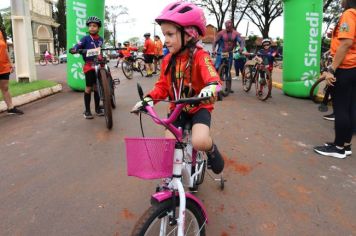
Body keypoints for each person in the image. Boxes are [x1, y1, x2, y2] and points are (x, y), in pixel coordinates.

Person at [132, 2, 225, 174]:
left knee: (199, 141)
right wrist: (148, 99)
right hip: (177, 109)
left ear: (189, 35)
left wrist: (211, 87)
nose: (165, 39)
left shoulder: (200, 56)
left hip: (199, 108)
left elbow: (213, 77)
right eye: (164, 34)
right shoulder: (167, 60)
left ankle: (211, 149)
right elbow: (162, 86)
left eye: (170, 34)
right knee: (169, 146)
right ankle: (169, 181)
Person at [314, 0, 356, 159]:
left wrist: (331, 69)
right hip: (354, 68)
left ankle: (338, 148)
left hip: (346, 67)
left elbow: (345, 43)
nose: (340, 1)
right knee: (351, 108)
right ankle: (345, 146)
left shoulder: (349, 14)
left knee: (341, 109)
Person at [69, 16, 104, 119]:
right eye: (90, 26)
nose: (92, 28)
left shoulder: (101, 39)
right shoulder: (85, 38)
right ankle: (87, 111)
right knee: (89, 88)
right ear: (88, 28)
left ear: (98, 28)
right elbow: (77, 46)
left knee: (97, 88)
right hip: (89, 66)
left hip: (99, 65)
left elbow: (100, 50)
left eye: (95, 26)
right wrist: (74, 49)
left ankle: (97, 109)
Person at [212, 20, 245, 93]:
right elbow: (215, 41)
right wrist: (214, 50)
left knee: (228, 70)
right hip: (221, 52)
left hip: (230, 53)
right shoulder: (221, 33)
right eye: (227, 27)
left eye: (229, 27)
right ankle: (215, 87)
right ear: (225, 26)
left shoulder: (236, 34)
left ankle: (228, 88)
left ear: (232, 26)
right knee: (217, 67)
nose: (228, 28)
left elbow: (241, 41)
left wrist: (241, 47)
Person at [0, 26, 23, 115]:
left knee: (5, 88)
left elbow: (5, 50)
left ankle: (10, 107)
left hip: (3, 66)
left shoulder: (1, 33)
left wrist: (11, 64)